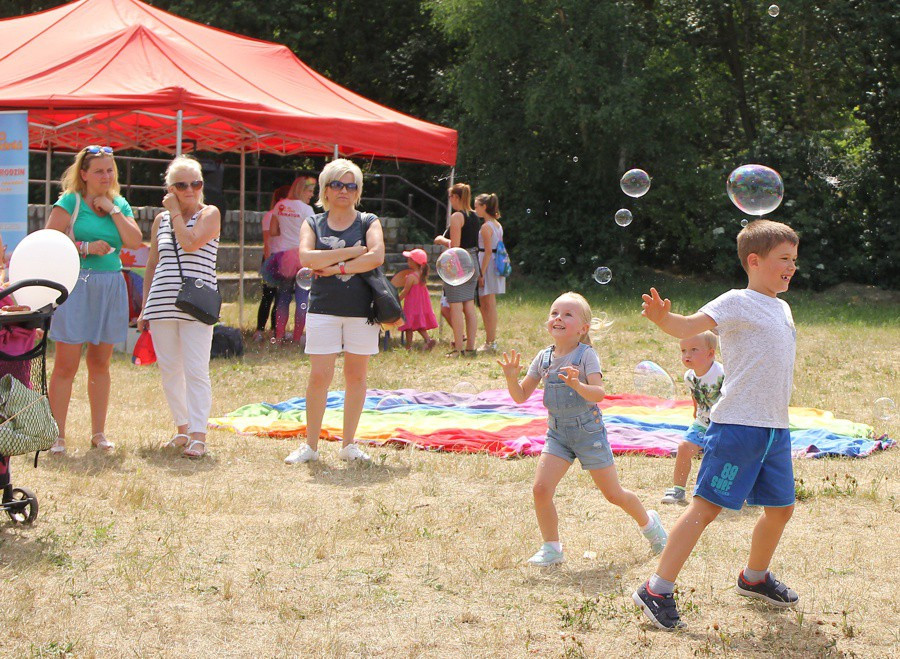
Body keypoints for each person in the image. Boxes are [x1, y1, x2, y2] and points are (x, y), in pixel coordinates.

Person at [633, 220, 801, 630]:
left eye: (795, 260)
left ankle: (754, 578)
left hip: (773, 428)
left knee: (781, 509)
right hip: (737, 426)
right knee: (706, 507)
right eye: (784, 259)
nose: (792, 267)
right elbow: (689, 325)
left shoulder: (782, 306)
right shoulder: (736, 301)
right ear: (755, 261)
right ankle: (656, 588)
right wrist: (663, 319)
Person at [497, 292, 668, 567]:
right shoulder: (543, 358)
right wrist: (510, 377)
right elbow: (520, 396)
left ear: (583, 328)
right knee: (541, 489)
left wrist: (578, 385)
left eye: (567, 314)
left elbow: (599, 394)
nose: (558, 318)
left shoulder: (586, 355)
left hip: (588, 433)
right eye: (554, 313)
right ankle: (552, 549)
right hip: (558, 434)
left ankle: (651, 526)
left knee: (614, 495)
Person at [284, 159, 384, 465]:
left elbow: (376, 256)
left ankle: (348, 444)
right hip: (323, 309)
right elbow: (306, 257)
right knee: (319, 376)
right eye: (337, 184)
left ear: (358, 191)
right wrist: (353, 253)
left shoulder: (368, 221)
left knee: (356, 377)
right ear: (325, 189)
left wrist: (335, 266)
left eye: (351, 185)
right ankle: (311, 446)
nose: (344, 190)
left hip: (362, 310)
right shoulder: (313, 222)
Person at [44, 145, 143, 454]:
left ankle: (98, 433)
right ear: (84, 174)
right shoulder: (70, 201)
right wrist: (84, 247)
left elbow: (134, 241)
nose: (106, 175)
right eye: (99, 170)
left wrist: (112, 208)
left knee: (100, 363)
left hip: (111, 285)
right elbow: (49, 240)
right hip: (76, 285)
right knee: (65, 365)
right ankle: (56, 435)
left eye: (110, 170)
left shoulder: (120, 204)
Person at [138, 156, 220, 459]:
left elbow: (190, 243)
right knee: (170, 370)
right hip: (161, 302)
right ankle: (182, 428)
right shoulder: (161, 220)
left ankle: (199, 435)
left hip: (196, 303)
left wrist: (174, 213)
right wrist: (145, 307)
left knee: (196, 369)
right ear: (170, 188)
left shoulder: (209, 213)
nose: (190, 190)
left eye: (196, 183)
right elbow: (152, 264)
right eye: (182, 185)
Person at [660, 332, 724, 505]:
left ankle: (725, 492)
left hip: (724, 426)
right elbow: (695, 394)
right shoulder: (689, 376)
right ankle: (678, 491)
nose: (687, 355)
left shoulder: (721, 374)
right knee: (684, 448)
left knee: (721, 458)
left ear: (710, 354)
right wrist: (696, 411)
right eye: (683, 350)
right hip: (703, 423)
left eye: (694, 350)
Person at [266, 174, 317, 344]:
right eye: (309, 191)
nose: (311, 194)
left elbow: (273, 231)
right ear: (301, 190)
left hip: (283, 257)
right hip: (302, 257)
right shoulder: (307, 210)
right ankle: (296, 337)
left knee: (283, 297)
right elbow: (313, 235)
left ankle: (279, 336)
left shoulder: (280, 206)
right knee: (303, 299)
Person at [434, 184, 479, 357]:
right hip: (473, 261)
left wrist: (442, 240)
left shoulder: (456, 217)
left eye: (450, 197)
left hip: (459, 261)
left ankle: (458, 348)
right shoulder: (474, 216)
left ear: (455, 197)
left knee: (455, 306)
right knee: (469, 305)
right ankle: (471, 348)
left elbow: (455, 246)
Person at [253, 184, 290, 343]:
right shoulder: (270, 216)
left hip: (283, 258)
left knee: (281, 297)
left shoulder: (288, 217)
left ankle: (276, 330)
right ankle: (259, 330)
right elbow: (267, 242)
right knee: (268, 296)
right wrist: (268, 264)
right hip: (272, 258)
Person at [475, 193, 506, 353]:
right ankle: (490, 340)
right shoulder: (497, 224)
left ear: (484, 207)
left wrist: (481, 273)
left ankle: (490, 341)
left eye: (477, 206)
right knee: (489, 304)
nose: (475, 209)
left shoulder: (486, 227)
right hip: (494, 264)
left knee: (487, 304)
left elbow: (487, 252)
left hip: (487, 265)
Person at [395, 248, 437, 350]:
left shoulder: (411, 277)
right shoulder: (421, 275)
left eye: (409, 259)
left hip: (412, 306)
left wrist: (397, 300)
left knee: (408, 327)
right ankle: (428, 340)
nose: (407, 261)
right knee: (419, 326)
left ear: (414, 262)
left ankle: (408, 347)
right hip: (420, 306)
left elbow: (405, 291)